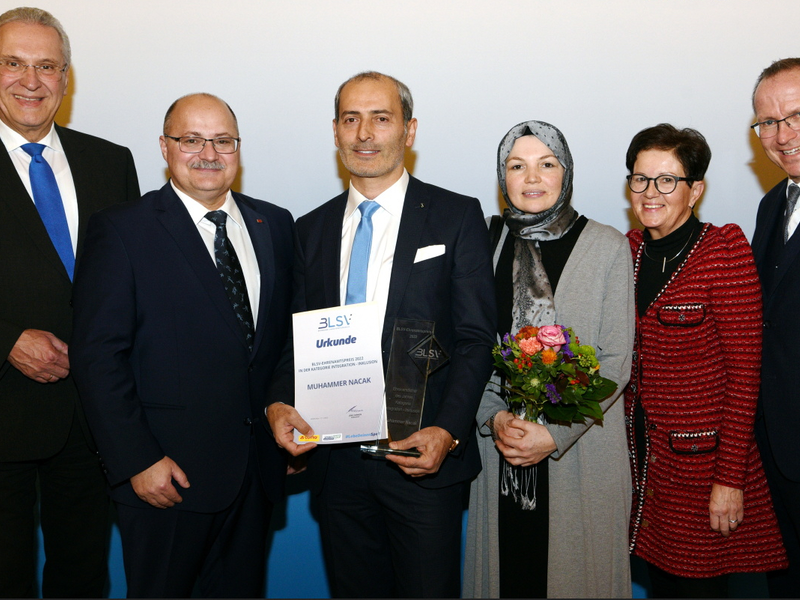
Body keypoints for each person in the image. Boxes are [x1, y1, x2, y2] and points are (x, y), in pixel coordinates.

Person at [266, 71, 496, 598]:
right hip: (336, 466)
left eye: (381, 118)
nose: (364, 133)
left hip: (420, 457)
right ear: (335, 131)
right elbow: (294, 339)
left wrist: (448, 432)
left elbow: (476, 338)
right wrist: (278, 402)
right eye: (351, 119)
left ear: (409, 130)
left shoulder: (456, 216)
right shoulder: (310, 229)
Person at [70, 93, 294, 598]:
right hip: (165, 477)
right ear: (164, 147)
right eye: (191, 140)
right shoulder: (121, 229)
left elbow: (282, 342)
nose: (209, 154)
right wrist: (136, 460)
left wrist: (283, 411)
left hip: (255, 474)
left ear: (238, 148)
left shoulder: (275, 224)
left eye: (223, 141)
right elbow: (97, 356)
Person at [0, 7, 139, 597]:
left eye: (47, 66)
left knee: (82, 579)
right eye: (12, 63)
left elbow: (134, 286)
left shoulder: (111, 162)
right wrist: (6, 339)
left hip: (91, 418)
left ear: (66, 77)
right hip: (3, 411)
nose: (31, 81)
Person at [462, 121, 634, 598]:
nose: (532, 177)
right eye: (517, 166)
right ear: (503, 176)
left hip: (582, 455)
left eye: (547, 164)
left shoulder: (608, 246)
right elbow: (473, 347)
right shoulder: (485, 244)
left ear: (566, 172)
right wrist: (493, 418)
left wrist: (552, 435)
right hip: (502, 450)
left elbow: (616, 360)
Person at [624, 123, 787, 598]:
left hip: (703, 468)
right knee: (660, 584)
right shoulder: (628, 252)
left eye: (666, 180)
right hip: (642, 467)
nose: (650, 192)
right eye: (640, 178)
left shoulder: (724, 251)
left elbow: (745, 376)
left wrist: (729, 480)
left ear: (695, 190)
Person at [750, 57, 800, 598]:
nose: (782, 135)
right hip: (775, 449)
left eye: (795, 116)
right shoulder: (771, 206)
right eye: (768, 122)